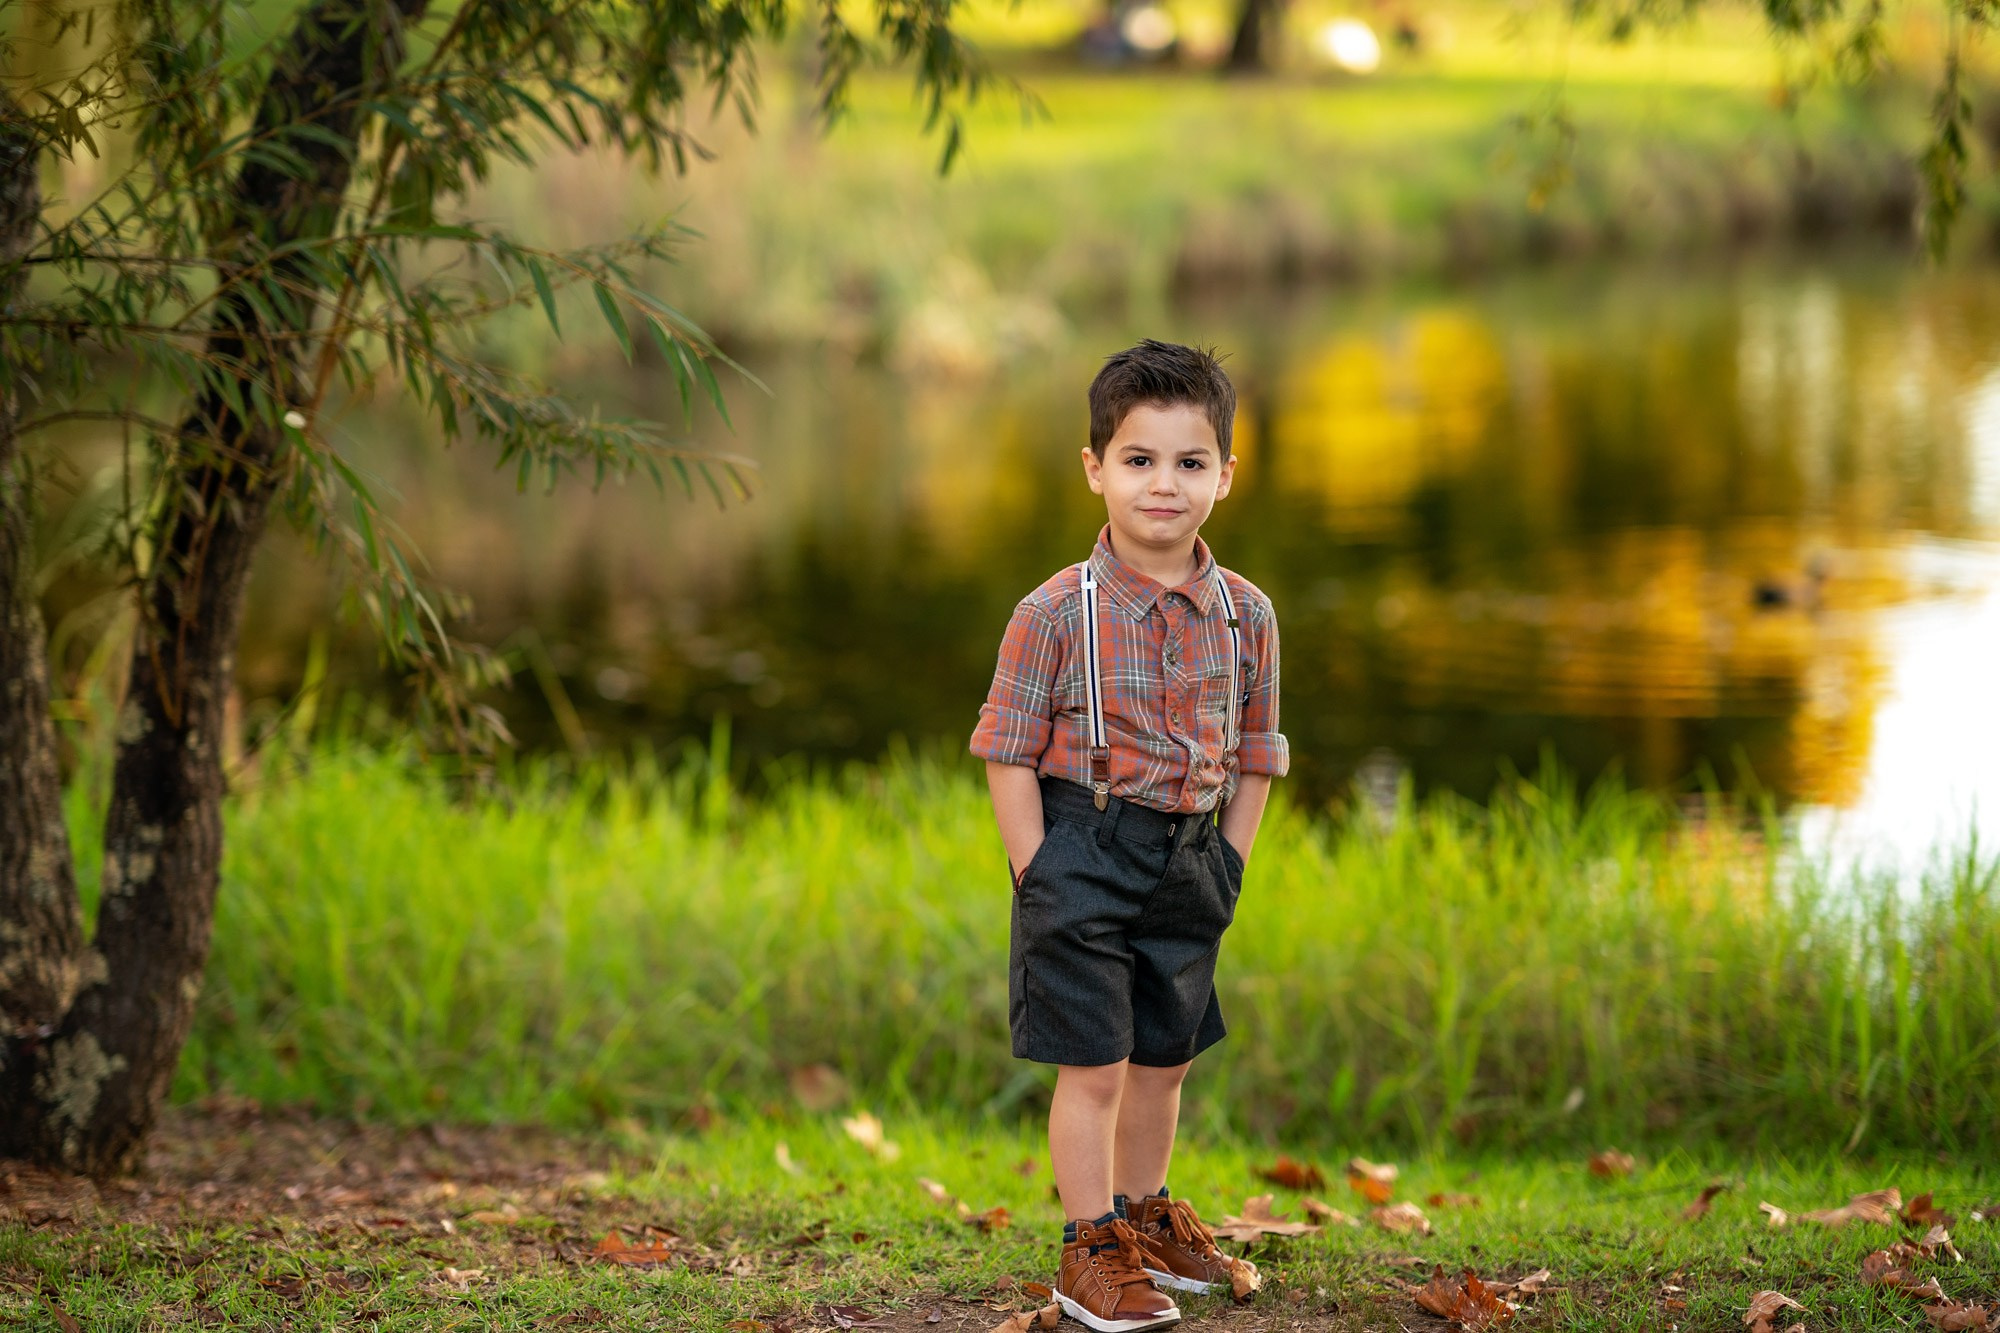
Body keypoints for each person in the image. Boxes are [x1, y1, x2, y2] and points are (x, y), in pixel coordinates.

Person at [970, 339, 1288, 1331]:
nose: (1164, 484)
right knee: (1097, 1062)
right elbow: (1006, 750)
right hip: (1083, 849)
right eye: (1139, 459)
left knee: (1164, 1055)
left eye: (1190, 462)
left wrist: (1229, 858)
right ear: (1094, 468)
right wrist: (1038, 869)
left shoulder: (1246, 614)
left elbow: (1258, 751)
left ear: (1224, 475)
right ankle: (1089, 1246)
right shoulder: (1053, 612)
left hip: (1192, 855)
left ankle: (1146, 1218)